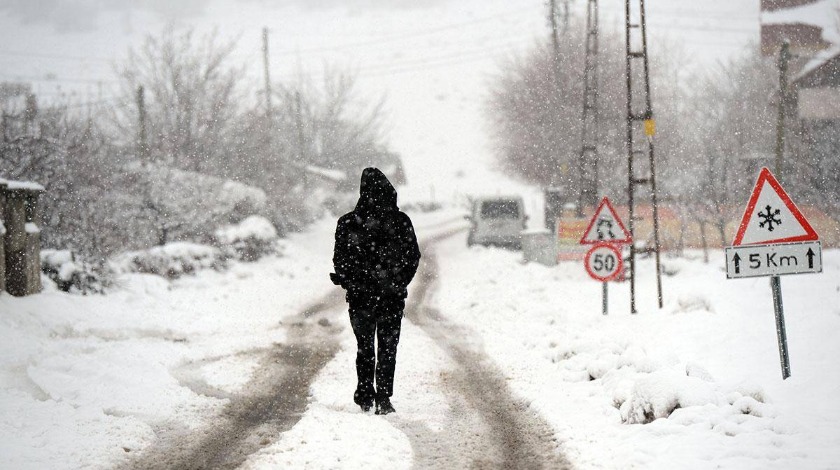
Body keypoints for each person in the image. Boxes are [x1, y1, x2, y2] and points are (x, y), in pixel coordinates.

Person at [331, 167, 421, 415]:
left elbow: (340, 260)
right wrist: (398, 281)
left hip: (361, 298)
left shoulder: (348, 223)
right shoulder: (400, 222)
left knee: (365, 347)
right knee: (388, 349)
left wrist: (353, 281)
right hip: (390, 297)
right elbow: (412, 256)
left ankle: (365, 394)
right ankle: (382, 396)